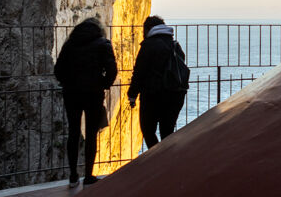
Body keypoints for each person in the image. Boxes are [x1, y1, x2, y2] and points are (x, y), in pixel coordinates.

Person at [53, 17, 117, 187]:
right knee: (91, 134)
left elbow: (58, 70)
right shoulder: (103, 44)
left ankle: (73, 175)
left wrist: (67, 82)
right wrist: (102, 84)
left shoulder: (70, 45)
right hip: (93, 94)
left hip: (71, 94)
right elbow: (112, 70)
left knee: (73, 133)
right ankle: (88, 175)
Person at [127, 15, 189, 149]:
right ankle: (168, 162)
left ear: (148, 29)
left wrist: (132, 95)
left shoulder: (148, 45)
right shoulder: (175, 45)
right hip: (175, 95)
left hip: (152, 95)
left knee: (148, 131)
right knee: (167, 132)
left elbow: (139, 73)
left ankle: (156, 158)